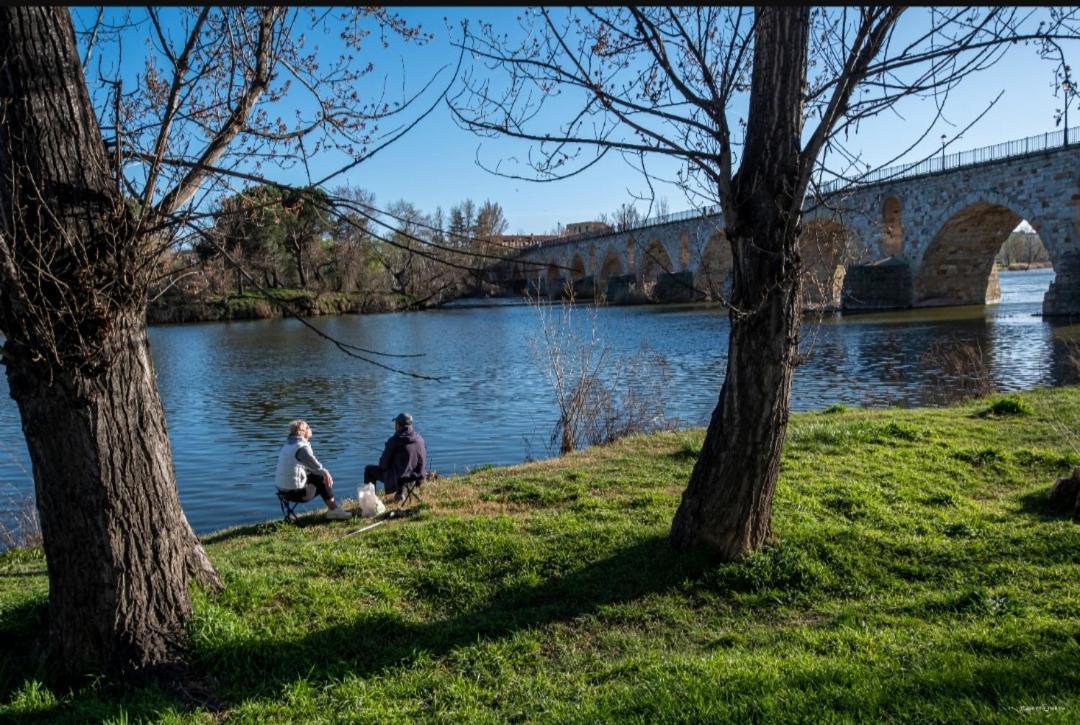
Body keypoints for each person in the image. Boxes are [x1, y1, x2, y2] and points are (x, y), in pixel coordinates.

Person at [275, 419, 351, 520]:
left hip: (282, 491)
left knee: (315, 475)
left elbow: (307, 467)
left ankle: (333, 510)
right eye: (308, 427)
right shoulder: (301, 448)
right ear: (302, 432)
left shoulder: (288, 445)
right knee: (321, 477)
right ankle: (333, 510)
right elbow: (317, 466)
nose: (311, 429)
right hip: (296, 494)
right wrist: (325, 472)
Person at [365, 412, 427, 503]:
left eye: (395, 424)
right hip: (418, 475)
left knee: (369, 470)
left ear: (398, 426)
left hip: (401, 478)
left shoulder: (394, 441)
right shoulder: (419, 438)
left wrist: (387, 449)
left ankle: (370, 502)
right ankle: (400, 492)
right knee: (404, 466)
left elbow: (383, 465)